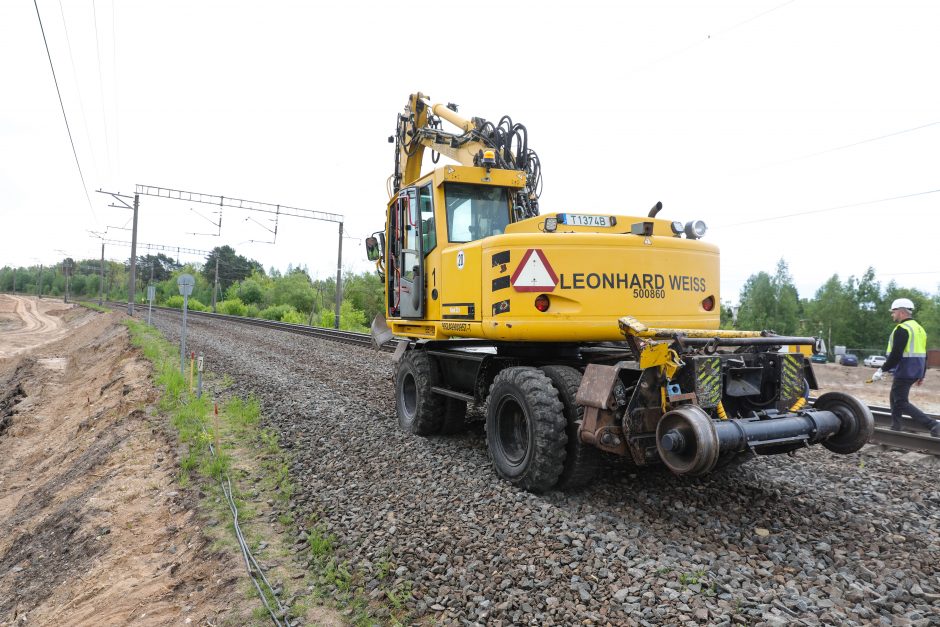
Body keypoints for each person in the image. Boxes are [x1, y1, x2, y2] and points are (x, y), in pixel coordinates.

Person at [872, 298, 940, 437]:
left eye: (893, 312)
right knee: (894, 397)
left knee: (901, 402)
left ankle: (933, 424)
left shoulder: (902, 329)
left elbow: (896, 354)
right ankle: (896, 426)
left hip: (905, 369)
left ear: (901, 312)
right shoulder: (919, 328)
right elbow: (924, 353)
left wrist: (881, 370)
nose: (892, 314)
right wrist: (922, 374)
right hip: (916, 369)